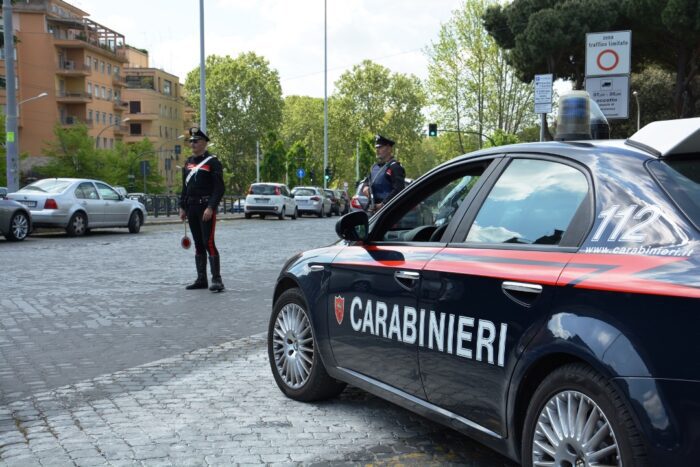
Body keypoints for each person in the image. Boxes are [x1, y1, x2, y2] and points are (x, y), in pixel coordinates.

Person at [179, 127, 226, 292]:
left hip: (206, 208)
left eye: (196, 141)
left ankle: (217, 279)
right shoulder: (188, 163)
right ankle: (201, 279)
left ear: (204, 143)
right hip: (191, 207)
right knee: (198, 243)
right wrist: (182, 207)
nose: (193, 144)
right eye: (191, 141)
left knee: (208, 242)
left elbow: (219, 188)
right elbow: (184, 187)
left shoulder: (213, 162)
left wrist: (211, 207)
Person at [362, 134, 406, 211]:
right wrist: (365, 187)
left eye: (380, 147)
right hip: (374, 209)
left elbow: (399, 189)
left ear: (389, 149)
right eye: (376, 148)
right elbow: (367, 181)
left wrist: (383, 204)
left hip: (389, 210)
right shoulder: (374, 167)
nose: (377, 150)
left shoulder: (395, 167)